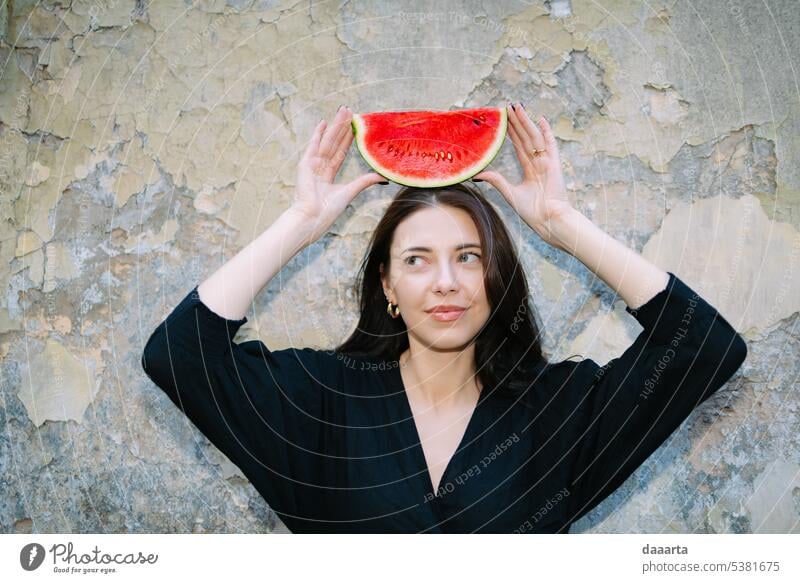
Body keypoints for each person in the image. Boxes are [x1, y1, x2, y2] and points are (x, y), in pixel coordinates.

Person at [141, 103, 747, 533]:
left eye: (468, 257)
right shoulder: (318, 401)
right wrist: (299, 223)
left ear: (495, 278)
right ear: (388, 287)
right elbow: (178, 356)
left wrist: (563, 223)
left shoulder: (556, 412)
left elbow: (707, 347)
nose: (446, 282)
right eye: (416, 260)